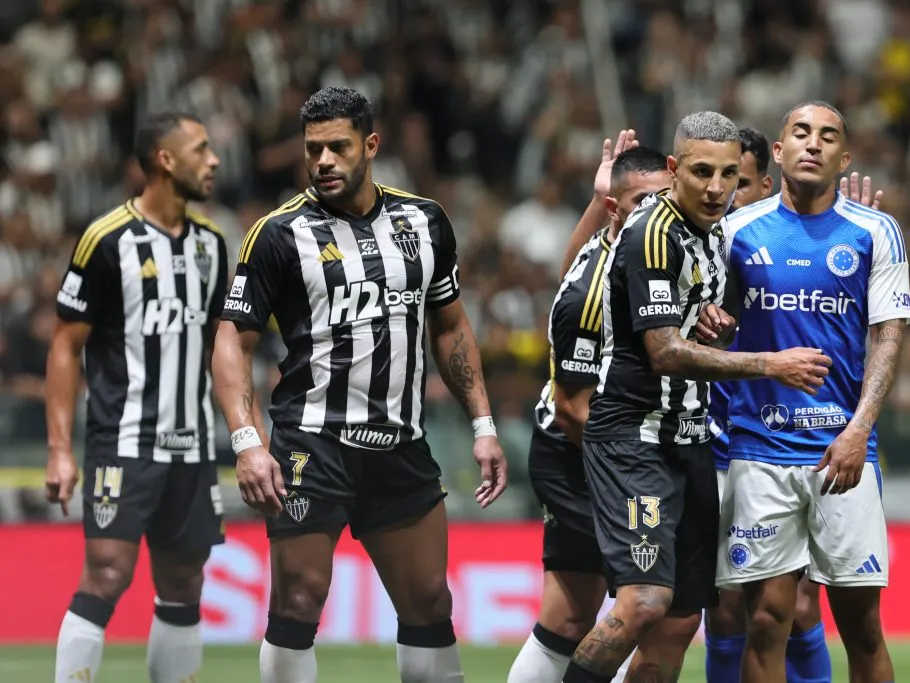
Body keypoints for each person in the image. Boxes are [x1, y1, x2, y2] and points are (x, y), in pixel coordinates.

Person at [211, 86, 507, 683]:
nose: (323, 161)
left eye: (337, 147)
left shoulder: (424, 221)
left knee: (430, 603)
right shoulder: (276, 234)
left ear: (370, 145)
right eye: (312, 149)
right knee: (299, 599)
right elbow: (230, 340)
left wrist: (483, 426)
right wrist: (247, 442)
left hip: (399, 442)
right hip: (311, 444)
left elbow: (450, 326)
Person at [561, 111, 833, 683]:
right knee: (643, 602)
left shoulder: (713, 233)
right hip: (634, 438)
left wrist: (719, 329)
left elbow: (698, 331)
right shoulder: (652, 231)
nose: (716, 188)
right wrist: (769, 365)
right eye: (702, 172)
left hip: (689, 443)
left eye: (729, 175)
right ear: (673, 168)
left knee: (684, 620)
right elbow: (662, 352)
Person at [707, 101, 910, 683]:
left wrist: (859, 431)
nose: (812, 143)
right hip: (758, 451)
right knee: (768, 619)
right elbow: (709, 321)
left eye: (827, 136)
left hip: (841, 452)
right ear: (778, 150)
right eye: (800, 132)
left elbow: (887, 338)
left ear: (844, 157)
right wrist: (714, 325)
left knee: (863, 628)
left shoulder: (876, 231)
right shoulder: (735, 231)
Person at [45, 112, 227, 683]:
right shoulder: (105, 240)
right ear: (165, 160)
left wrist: (246, 433)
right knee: (107, 573)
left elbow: (224, 349)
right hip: (123, 441)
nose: (214, 159)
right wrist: (59, 450)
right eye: (201, 149)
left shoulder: (213, 247)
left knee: (184, 582)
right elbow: (63, 345)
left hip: (193, 446)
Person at [508, 139, 676, 683]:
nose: (657, 215)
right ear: (617, 212)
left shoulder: (652, 252)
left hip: (613, 446)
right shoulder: (594, 283)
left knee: (574, 615)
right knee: (638, 605)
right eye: (642, 202)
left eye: (664, 201)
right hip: (581, 449)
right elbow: (571, 408)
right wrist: (636, 468)